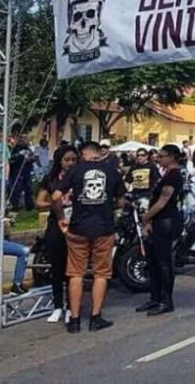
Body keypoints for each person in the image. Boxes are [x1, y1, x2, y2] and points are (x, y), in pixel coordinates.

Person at [51, 141, 125, 333]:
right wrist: (112, 208)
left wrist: (60, 218)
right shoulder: (112, 171)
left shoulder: (75, 171)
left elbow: (55, 196)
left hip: (78, 227)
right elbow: (121, 200)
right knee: (101, 273)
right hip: (104, 228)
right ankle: (95, 317)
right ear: (98, 153)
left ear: (83, 154)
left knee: (75, 273)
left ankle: (74, 320)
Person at [136, 144, 185, 316]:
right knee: (153, 261)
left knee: (164, 263)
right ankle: (154, 297)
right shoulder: (165, 174)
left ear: (172, 157)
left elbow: (163, 200)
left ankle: (166, 300)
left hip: (166, 221)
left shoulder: (173, 175)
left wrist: (146, 216)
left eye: (162, 156)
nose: (159, 158)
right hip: (158, 221)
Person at [35, 145, 79, 322]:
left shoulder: (80, 178)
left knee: (73, 268)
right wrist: (56, 203)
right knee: (57, 267)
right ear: (59, 161)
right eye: (67, 160)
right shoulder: (51, 179)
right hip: (56, 224)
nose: (70, 163)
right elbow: (39, 201)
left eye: (73, 160)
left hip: (76, 224)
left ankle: (71, 306)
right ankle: (57, 306)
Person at [8, 135, 37, 211]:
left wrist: (31, 159)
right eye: (21, 138)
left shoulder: (28, 149)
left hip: (27, 171)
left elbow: (33, 157)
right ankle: (16, 206)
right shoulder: (14, 149)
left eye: (25, 138)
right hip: (16, 172)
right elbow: (11, 160)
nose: (23, 140)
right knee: (16, 189)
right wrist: (20, 157)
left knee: (29, 189)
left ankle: (29, 206)